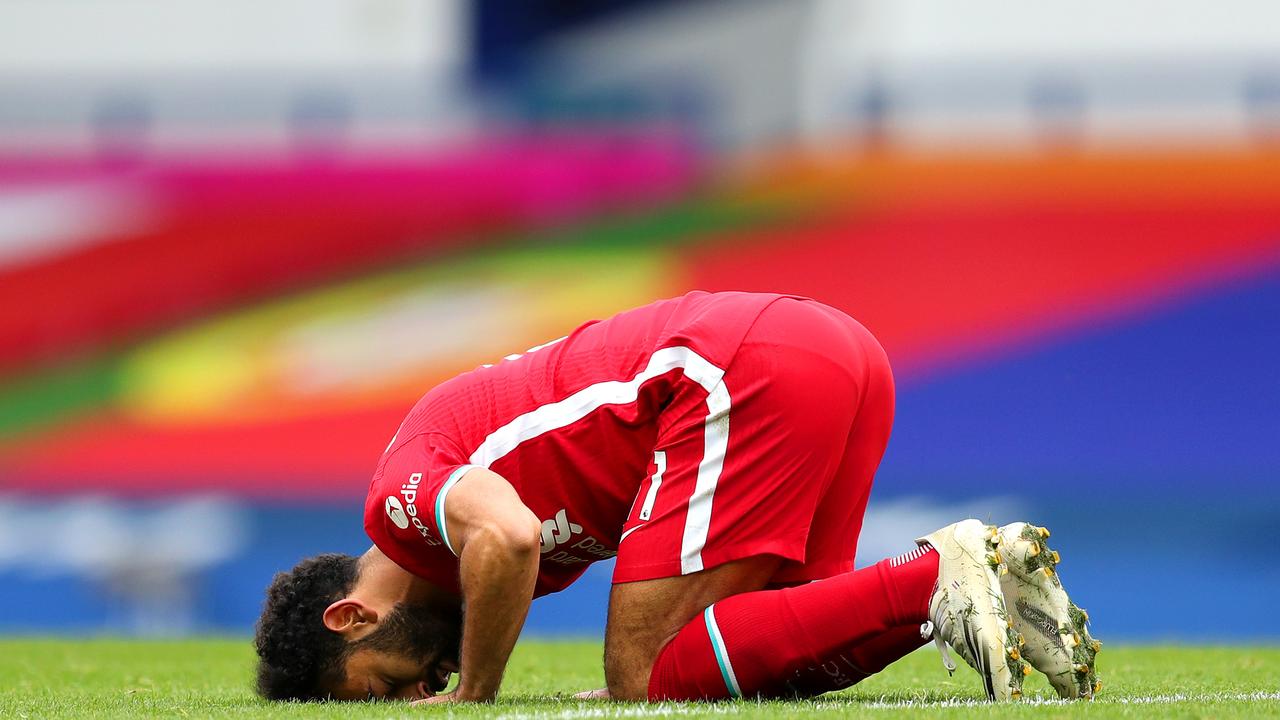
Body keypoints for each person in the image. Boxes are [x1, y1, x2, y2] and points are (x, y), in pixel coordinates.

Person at [254, 291, 1099, 703]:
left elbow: (507, 537)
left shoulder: (398, 503)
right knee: (779, 655)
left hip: (730, 369)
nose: (414, 696)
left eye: (381, 690)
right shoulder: (453, 550)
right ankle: (998, 577)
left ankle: (936, 574)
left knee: (645, 672)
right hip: (834, 353)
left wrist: (476, 694)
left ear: (351, 617)